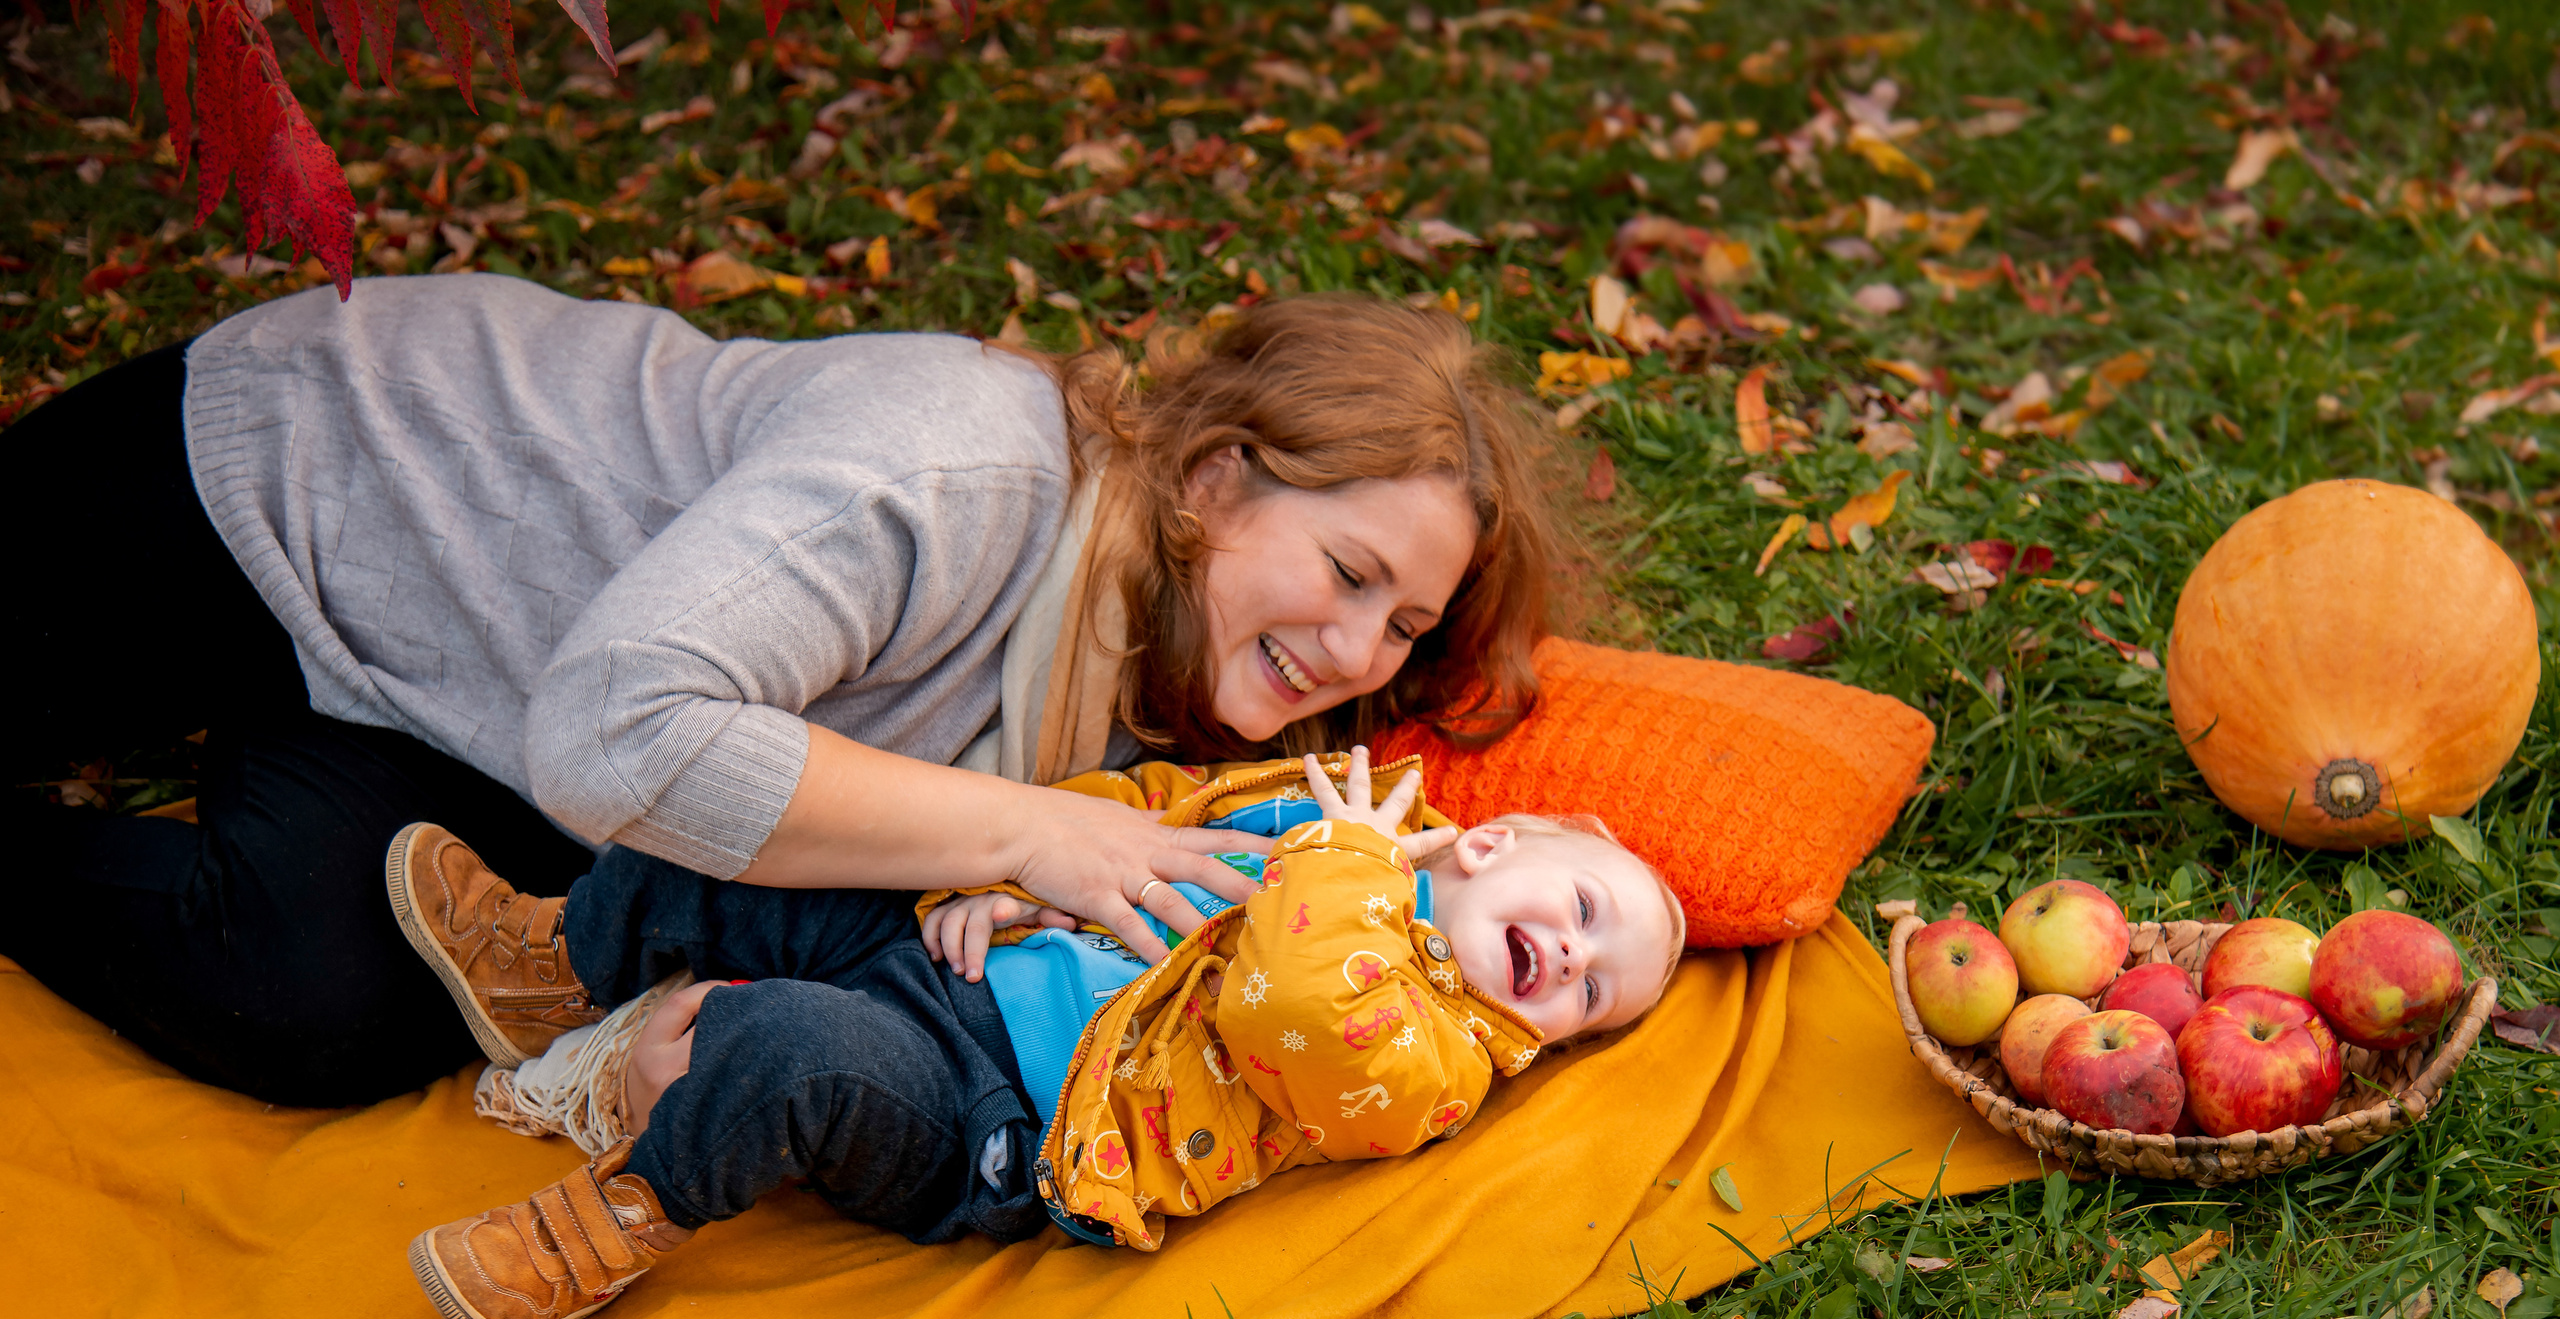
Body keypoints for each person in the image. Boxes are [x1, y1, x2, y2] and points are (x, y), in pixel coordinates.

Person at [0, 276, 1575, 1105]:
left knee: (306, 1004)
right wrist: (1021, 835)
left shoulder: (1157, 695)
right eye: (1352, 574)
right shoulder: (959, 463)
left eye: (1406, 629)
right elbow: (619, 730)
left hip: (463, 718)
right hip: (322, 472)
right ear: (1225, 479)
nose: (1360, 656)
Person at [391, 747, 1685, 1319]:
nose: (1573, 961)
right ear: (1493, 840)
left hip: (999, 1116)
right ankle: (553, 963)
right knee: (745, 848)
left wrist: (1344, 858)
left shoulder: (1434, 1053)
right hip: (943, 958)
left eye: (1594, 993)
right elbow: (1148, 841)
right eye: (1585, 913)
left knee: (788, 1050)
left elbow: (1290, 998)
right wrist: (1015, 880)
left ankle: (616, 1215)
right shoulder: (1322, 820)